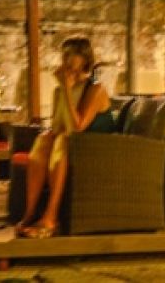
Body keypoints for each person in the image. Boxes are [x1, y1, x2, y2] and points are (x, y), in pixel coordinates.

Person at [15, 36, 116, 239]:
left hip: (97, 148)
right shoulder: (60, 91)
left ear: (85, 58)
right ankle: (30, 213)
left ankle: (51, 217)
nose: (67, 60)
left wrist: (67, 90)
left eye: (73, 55)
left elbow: (78, 127)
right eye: (64, 55)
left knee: (62, 140)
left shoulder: (96, 89)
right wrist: (63, 91)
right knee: (45, 139)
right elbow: (58, 127)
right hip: (72, 143)